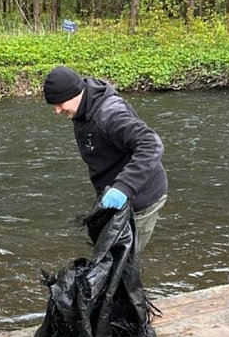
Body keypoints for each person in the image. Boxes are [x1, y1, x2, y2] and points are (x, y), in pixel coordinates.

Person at [43, 66, 168, 255]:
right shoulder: (82, 109)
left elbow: (151, 144)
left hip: (141, 197)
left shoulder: (110, 114)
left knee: (123, 262)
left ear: (75, 93)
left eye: (60, 103)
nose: (57, 110)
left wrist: (123, 187)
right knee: (105, 257)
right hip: (111, 198)